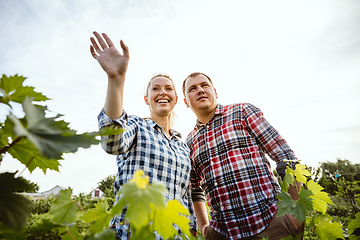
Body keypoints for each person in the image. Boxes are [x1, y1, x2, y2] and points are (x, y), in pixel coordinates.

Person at [89, 31, 196, 239]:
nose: (162, 92)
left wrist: (190, 232)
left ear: (175, 99)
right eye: (155, 89)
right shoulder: (137, 126)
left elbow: (186, 199)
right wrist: (116, 80)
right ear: (147, 99)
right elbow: (113, 142)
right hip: (132, 232)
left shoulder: (183, 148)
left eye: (168, 89)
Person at [182, 72, 303, 240]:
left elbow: (285, 156)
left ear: (215, 91)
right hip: (223, 234)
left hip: (271, 224)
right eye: (192, 88)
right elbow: (195, 191)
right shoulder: (189, 143)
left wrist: (295, 217)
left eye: (204, 85)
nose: (200, 90)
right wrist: (204, 227)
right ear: (185, 102)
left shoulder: (242, 112)